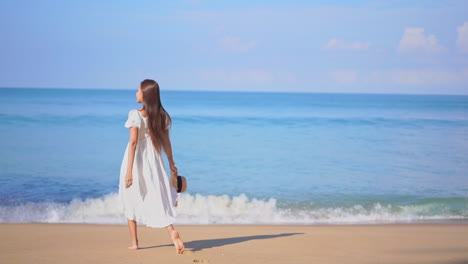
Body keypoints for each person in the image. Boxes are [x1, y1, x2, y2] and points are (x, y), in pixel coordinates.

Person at [118, 79, 185, 254]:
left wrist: (129, 172)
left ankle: (134, 242)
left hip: (136, 160)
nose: (136, 93)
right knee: (156, 195)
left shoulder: (135, 114)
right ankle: (171, 231)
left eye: (138, 90)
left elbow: (133, 143)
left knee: (130, 196)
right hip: (154, 160)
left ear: (146, 95)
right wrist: (171, 163)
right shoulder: (161, 116)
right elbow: (166, 143)